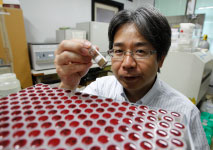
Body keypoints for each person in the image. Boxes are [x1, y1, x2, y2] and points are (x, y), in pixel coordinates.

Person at [54, 6, 209, 150]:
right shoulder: (100, 89)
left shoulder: (185, 114)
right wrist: (68, 84)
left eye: (140, 51)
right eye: (119, 51)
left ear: (161, 58)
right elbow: (62, 127)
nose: (127, 63)